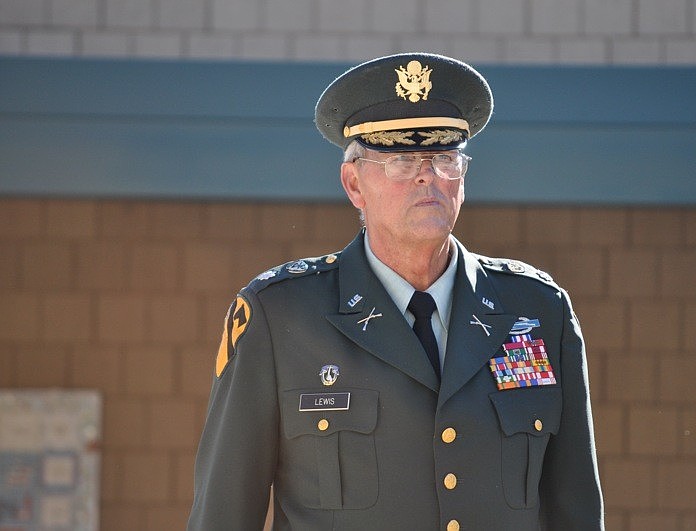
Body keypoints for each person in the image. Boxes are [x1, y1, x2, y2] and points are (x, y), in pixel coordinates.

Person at [188, 52, 604, 530]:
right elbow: (222, 513)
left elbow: (576, 509)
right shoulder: (280, 315)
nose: (427, 175)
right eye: (402, 159)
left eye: (444, 157)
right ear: (354, 183)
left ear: (463, 176)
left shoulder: (537, 309)